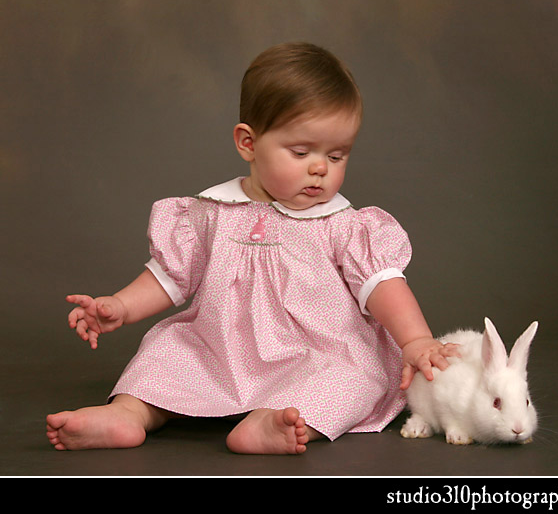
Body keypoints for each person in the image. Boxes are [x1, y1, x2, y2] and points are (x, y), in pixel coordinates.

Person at [46, 42, 458, 455]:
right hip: (217, 348)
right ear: (248, 143)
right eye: (301, 152)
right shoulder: (211, 213)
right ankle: (130, 414)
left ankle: (277, 422)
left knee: (357, 376)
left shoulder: (343, 224)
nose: (321, 168)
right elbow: (169, 275)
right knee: (167, 352)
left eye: (337, 155)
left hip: (313, 353)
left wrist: (415, 340)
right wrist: (120, 306)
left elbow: (383, 285)